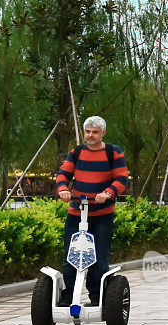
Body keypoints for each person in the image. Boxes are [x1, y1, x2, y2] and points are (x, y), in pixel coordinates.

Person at [55, 115, 129, 306]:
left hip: (102, 215)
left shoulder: (114, 152)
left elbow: (121, 179)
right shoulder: (77, 152)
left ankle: (97, 297)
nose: (90, 135)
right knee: (71, 255)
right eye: (88, 132)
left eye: (95, 132)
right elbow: (63, 174)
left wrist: (108, 192)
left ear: (103, 133)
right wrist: (63, 189)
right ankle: (68, 295)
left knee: (99, 258)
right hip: (76, 214)